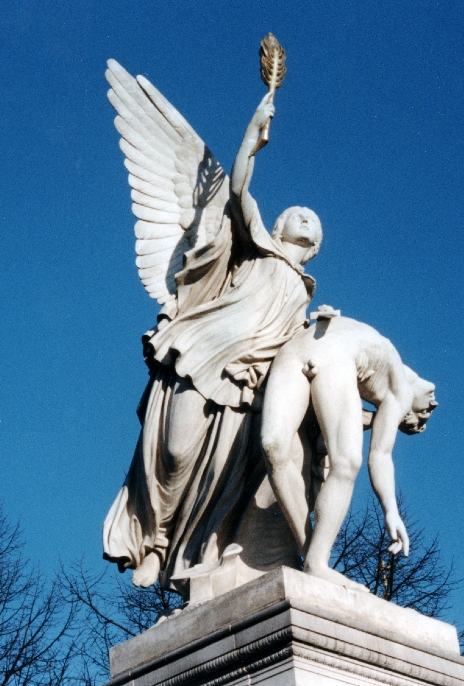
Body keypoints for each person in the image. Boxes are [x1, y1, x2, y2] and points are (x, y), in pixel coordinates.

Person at [103, 95, 323, 591]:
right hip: (204, 350)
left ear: (317, 244)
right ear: (279, 226)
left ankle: (182, 555)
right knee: (176, 453)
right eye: (297, 213)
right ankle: (153, 541)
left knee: (220, 480)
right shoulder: (257, 246)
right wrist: (253, 135)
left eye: (314, 219)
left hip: (247, 382)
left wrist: (322, 332)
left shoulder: (307, 296)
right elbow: (238, 186)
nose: (306, 216)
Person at [260, 314, 437, 591]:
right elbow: (379, 454)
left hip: (309, 352)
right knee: (281, 450)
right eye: (423, 414)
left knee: (285, 451)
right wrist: (390, 510)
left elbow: (379, 452)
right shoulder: (399, 381)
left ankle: (314, 560)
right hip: (305, 350)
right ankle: (314, 557)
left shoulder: (395, 382)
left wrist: (391, 510)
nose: (432, 403)